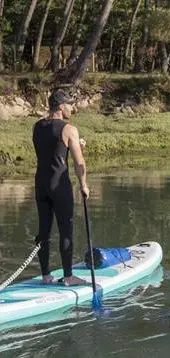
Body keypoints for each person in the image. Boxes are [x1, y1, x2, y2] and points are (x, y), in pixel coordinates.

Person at [33, 88, 90, 286]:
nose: (72, 109)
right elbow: (78, 161)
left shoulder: (37, 126)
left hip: (41, 184)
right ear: (60, 107)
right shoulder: (69, 129)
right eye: (69, 105)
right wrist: (83, 185)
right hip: (59, 185)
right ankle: (68, 276)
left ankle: (46, 275)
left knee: (44, 231)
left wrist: (75, 143)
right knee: (66, 229)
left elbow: (52, 150)